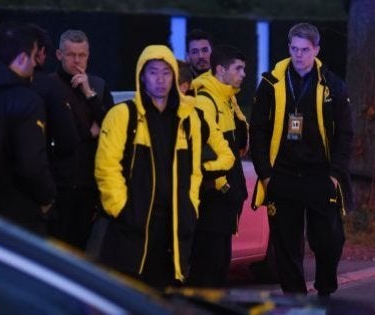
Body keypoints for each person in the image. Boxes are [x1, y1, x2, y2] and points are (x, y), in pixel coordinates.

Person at [95, 45, 234, 290]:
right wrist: (123, 210)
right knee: (129, 295)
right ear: (141, 76)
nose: (160, 79)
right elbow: (106, 168)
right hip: (132, 227)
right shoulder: (122, 116)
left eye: (166, 73)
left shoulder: (188, 119)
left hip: (174, 226)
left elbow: (194, 171)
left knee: (165, 297)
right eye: (153, 72)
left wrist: (191, 208)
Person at [249, 22, 354, 297]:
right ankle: (295, 299)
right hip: (282, 175)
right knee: (285, 244)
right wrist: (265, 173)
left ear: (316, 50)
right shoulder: (271, 83)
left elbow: (346, 134)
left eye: (305, 50)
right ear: (288, 48)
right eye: (294, 49)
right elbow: (257, 128)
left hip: (320, 175)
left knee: (330, 240)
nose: (299, 55)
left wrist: (335, 175)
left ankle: (325, 289)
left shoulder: (332, 85)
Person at [0, 21, 55, 235]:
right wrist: (47, 196)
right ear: (22, 58)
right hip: (18, 213)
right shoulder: (28, 101)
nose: (36, 64)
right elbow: (31, 164)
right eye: (34, 55)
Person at [187, 44, 249, 287]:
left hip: (224, 201)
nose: (243, 74)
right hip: (213, 200)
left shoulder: (226, 99)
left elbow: (237, 145)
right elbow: (204, 153)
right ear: (221, 70)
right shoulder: (206, 101)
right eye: (238, 68)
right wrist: (225, 189)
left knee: (220, 266)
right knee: (208, 268)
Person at [46, 29, 114, 249]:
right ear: (58, 55)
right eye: (70, 54)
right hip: (58, 186)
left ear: (89, 55)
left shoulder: (99, 86)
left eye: (81, 55)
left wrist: (88, 93)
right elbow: (56, 135)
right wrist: (88, 133)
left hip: (89, 186)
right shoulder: (47, 86)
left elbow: (111, 128)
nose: (76, 60)